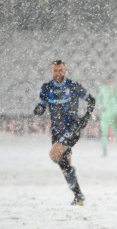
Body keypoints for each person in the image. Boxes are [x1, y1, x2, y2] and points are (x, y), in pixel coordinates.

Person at [33, 60, 96, 206]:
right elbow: (42, 105)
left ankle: (78, 194)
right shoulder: (46, 88)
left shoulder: (73, 86)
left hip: (71, 127)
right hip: (56, 130)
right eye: (55, 70)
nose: (58, 73)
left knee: (54, 155)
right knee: (63, 164)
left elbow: (91, 100)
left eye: (61, 70)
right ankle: (78, 196)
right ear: (51, 71)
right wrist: (39, 109)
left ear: (65, 70)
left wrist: (86, 117)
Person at [97, 74, 117, 157]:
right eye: (108, 80)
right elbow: (99, 98)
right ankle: (104, 151)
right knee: (104, 133)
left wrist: (115, 93)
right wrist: (100, 105)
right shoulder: (103, 89)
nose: (109, 81)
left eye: (111, 80)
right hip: (105, 114)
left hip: (114, 113)